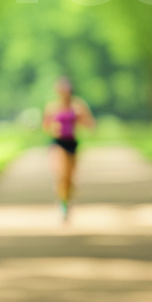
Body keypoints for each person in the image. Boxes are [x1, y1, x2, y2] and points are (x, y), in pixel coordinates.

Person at [41, 76, 95, 223]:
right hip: (58, 143)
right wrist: (53, 126)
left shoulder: (78, 105)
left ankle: (66, 200)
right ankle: (63, 204)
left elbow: (89, 123)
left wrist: (81, 120)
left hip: (72, 143)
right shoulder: (52, 107)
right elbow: (45, 124)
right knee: (62, 174)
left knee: (70, 178)